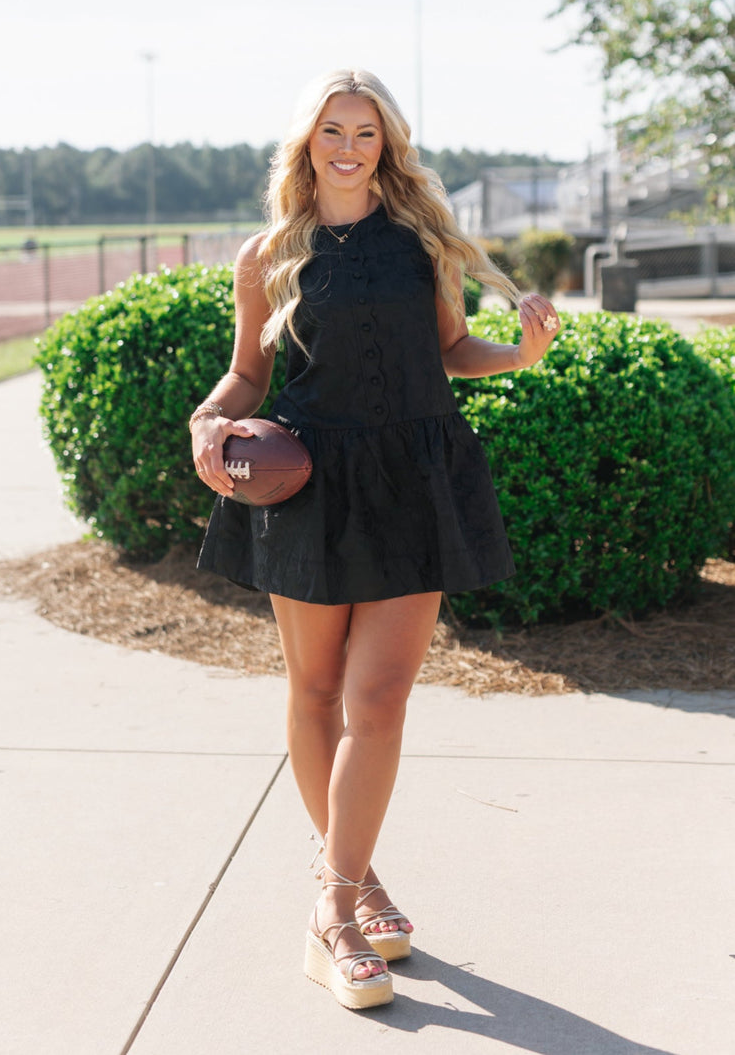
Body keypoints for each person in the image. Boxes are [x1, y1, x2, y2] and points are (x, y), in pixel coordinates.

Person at [190, 69, 560, 1010]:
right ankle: (356, 887)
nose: (348, 146)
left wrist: (517, 353)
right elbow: (244, 374)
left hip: (414, 479)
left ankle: (333, 903)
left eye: (365, 131)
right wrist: (209, 421)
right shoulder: (271, 251)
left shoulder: (421, 244)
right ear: (307, 145)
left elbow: (449, 351)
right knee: (315, 690)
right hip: (309, 481)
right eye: (332, 131)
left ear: (386, 144)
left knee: (381, 696)